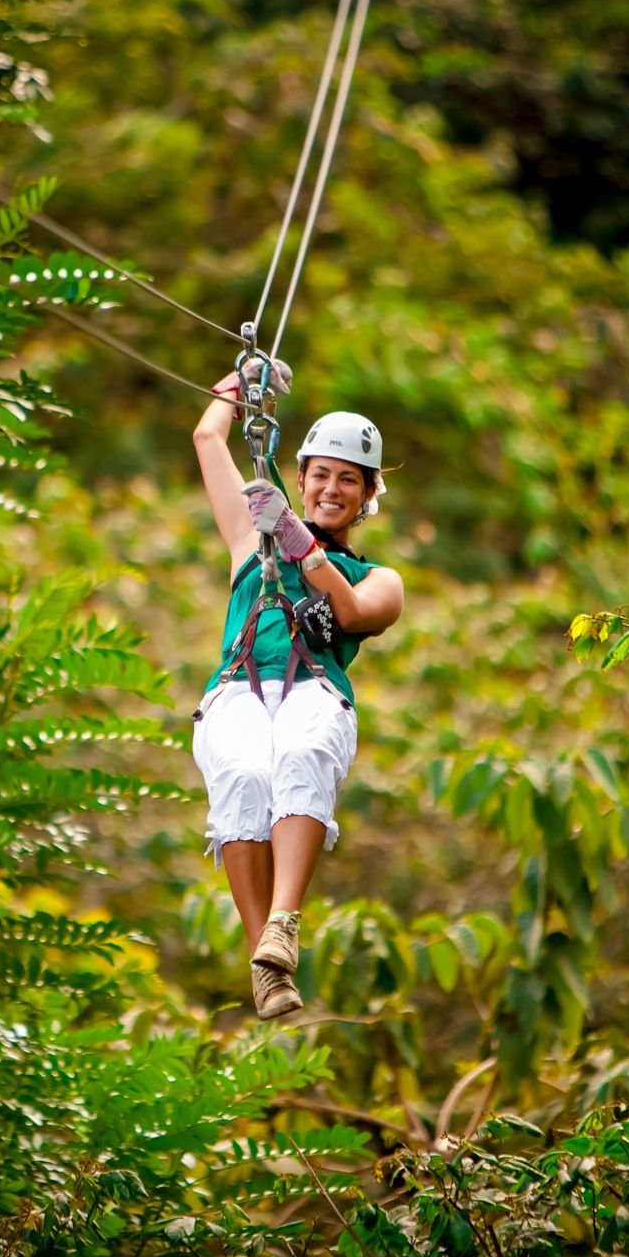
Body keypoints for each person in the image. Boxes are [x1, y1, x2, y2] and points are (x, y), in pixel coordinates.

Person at [190, 363, 405, 1019]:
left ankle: (284, 919)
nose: (331, 487)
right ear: (304, 476)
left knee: (301, 755)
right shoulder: (248, 538)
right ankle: (264, 956)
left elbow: (350, 613)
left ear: (366, 494)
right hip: (238, 688)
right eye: (321, 474)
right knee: (246, 774)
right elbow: (207, 437)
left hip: (315, 688)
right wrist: (239, 381)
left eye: (349, 479)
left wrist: (302, 546)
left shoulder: (378, 576)